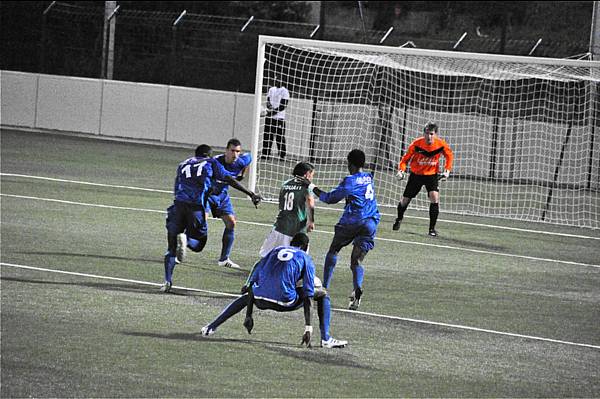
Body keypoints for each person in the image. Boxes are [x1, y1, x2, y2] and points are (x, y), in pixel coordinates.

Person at [201, 233, 348, 349]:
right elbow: (308, 296)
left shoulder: (275, 250)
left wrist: (249, 315)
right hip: (284, 302)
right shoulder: (305, 258)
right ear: (306, 246)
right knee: (322, 293)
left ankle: (210, 327)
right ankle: (326, 339)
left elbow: (256, 271)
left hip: (260, 299)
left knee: (246, 296)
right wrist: (308, 328)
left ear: (291, 244)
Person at [162, 144, 262, 293]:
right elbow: (228, 178)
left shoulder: (183, 164)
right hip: (196, 206)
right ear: (209, 155)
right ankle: (186, 240)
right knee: (199, 244)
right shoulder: (212, 162)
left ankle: (167, 281)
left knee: (171, 249)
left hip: (178, 206)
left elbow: (177, 187)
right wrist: (250, 193)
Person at [310, 149, 380, 311]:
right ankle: (357, 289)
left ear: (350, 164)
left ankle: (324, 288)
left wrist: (312, 186)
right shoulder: (368, 177)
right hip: (371, 222)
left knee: (333, 250)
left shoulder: (350, 181)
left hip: (353, 220)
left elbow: (329, 199)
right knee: (356, 260)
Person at [393, 122, 454, 237]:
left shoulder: (441, 144)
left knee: (434, 198)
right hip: (416, 175)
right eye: (427, 133)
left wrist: (447, 170)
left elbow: (449, 156)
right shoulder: (416, 144)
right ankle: (399, 218)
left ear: (435, 134)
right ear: (423, 133)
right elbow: (405, 159)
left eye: (431, 134)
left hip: (431, 175)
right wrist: (401, 170)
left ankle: (432, 229)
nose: (429, 136)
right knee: (405, 201)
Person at [202, 138, 252, 269]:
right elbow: (230, 180)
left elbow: (250, 158)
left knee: (231, 223)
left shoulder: (241, 160)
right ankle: (180, 244)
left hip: (222, 196)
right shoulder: (216, 162)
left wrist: (243, 173)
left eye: (238, 151)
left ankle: (224, 259)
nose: (235, 154)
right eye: (232, 151)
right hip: (207, 195)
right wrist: (250, 193)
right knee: (201, 221)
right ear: (226, 151)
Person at [258, 161, 315, 258]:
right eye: (312, 175)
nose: (312, 177)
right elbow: (310, 202)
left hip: (280, 225)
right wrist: (311, 221)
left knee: (266, 254)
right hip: (296, 227)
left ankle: (264, 270)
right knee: (298, 256)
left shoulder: (285, 184)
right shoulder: (306, 187)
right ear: (307, 174)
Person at [261, 75, 289, 160]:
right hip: (270, 118)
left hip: (279, 118)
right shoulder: (271, 89)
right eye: (276, 79)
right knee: (267, 136)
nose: (277, 80)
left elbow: (283, 105)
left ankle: (282, 155)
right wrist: (269, 110)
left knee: (280, 137)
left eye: (279, 79)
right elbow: (268, 101)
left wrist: (273, 112)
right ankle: (265, 154)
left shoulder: (285, 91)